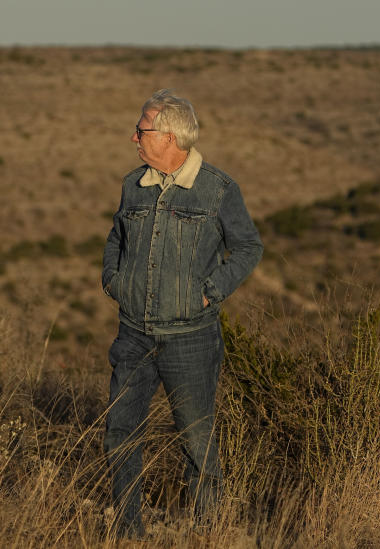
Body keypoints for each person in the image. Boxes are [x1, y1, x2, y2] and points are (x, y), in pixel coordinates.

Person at [101, 89, 263, 538]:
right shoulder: (133, 184)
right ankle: (128, 532)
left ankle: (207, 532)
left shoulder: (218, 189)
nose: (133, 136)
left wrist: (211, 292)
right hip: (133, 333)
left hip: (191, 337)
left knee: (196, 440)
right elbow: (116, 237)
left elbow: (249, 246)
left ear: (170, 136)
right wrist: (113, 279)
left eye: (142, 128)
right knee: (120, 431)